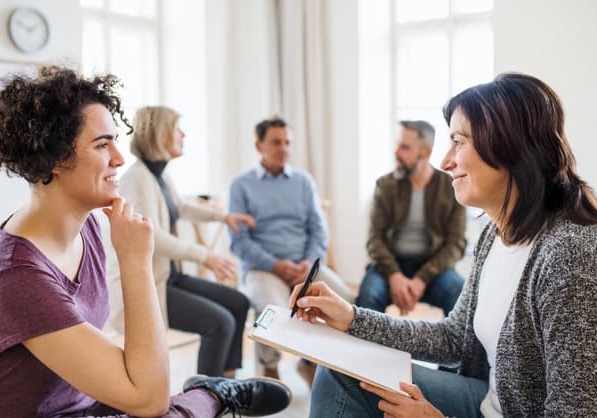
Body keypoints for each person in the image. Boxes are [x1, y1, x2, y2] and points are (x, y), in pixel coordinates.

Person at [293, 73, 597, 417]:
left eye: (459, 142)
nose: (446, 162)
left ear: (509, 148)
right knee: (341, 371)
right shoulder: (497, 234)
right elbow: (453, 338)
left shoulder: (576, 258)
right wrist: (351, 317)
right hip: (497, 400)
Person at [0, 66, 290, 418]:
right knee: (162, 409)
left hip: (75, 404)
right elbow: (149, 399)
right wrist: (136, 261)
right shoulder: (14, 279)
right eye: (101, 144)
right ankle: (213, 394)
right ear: (56, 158)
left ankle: (209, 391)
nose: (119, 158)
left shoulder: (89, 230)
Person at [104, 105, 253, 378]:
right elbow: (155, 238)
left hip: (169, 277)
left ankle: (227, 383)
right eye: (177, 129)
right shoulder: (136, 179)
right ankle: (204, 398)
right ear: (161, 135)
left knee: (238, 302)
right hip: (149, 286)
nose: (183, 134)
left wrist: (224, 216)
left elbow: (180, 206)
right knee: (219, 323)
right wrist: (205, 256)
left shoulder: (158, 175)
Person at [229, 116, 356, 383]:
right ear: (258, 145)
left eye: (287, 142)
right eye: (276, 142)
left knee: (345, 298)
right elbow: (239, 242)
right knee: (272, 309)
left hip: (304, 265)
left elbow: (319, 230)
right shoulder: (241, 185)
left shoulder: (303, 181)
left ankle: (310, 362)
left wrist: (309, 263)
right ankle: (270, 368)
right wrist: (276, 265)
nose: (283, 148)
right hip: (264, 268)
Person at [357, 120, 466, 316]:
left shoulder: (450, 187)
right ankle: (367, 348)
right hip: (389, 266)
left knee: (460, 293)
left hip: (433, 268)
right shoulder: (385, 185)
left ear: (425, 151)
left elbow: (456, 244)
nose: (396, 152)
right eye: (397, 145)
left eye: (404, 147)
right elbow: (375, 240)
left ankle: (456, 347)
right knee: (368, 296)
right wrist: (394, 275)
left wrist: (421, 279)